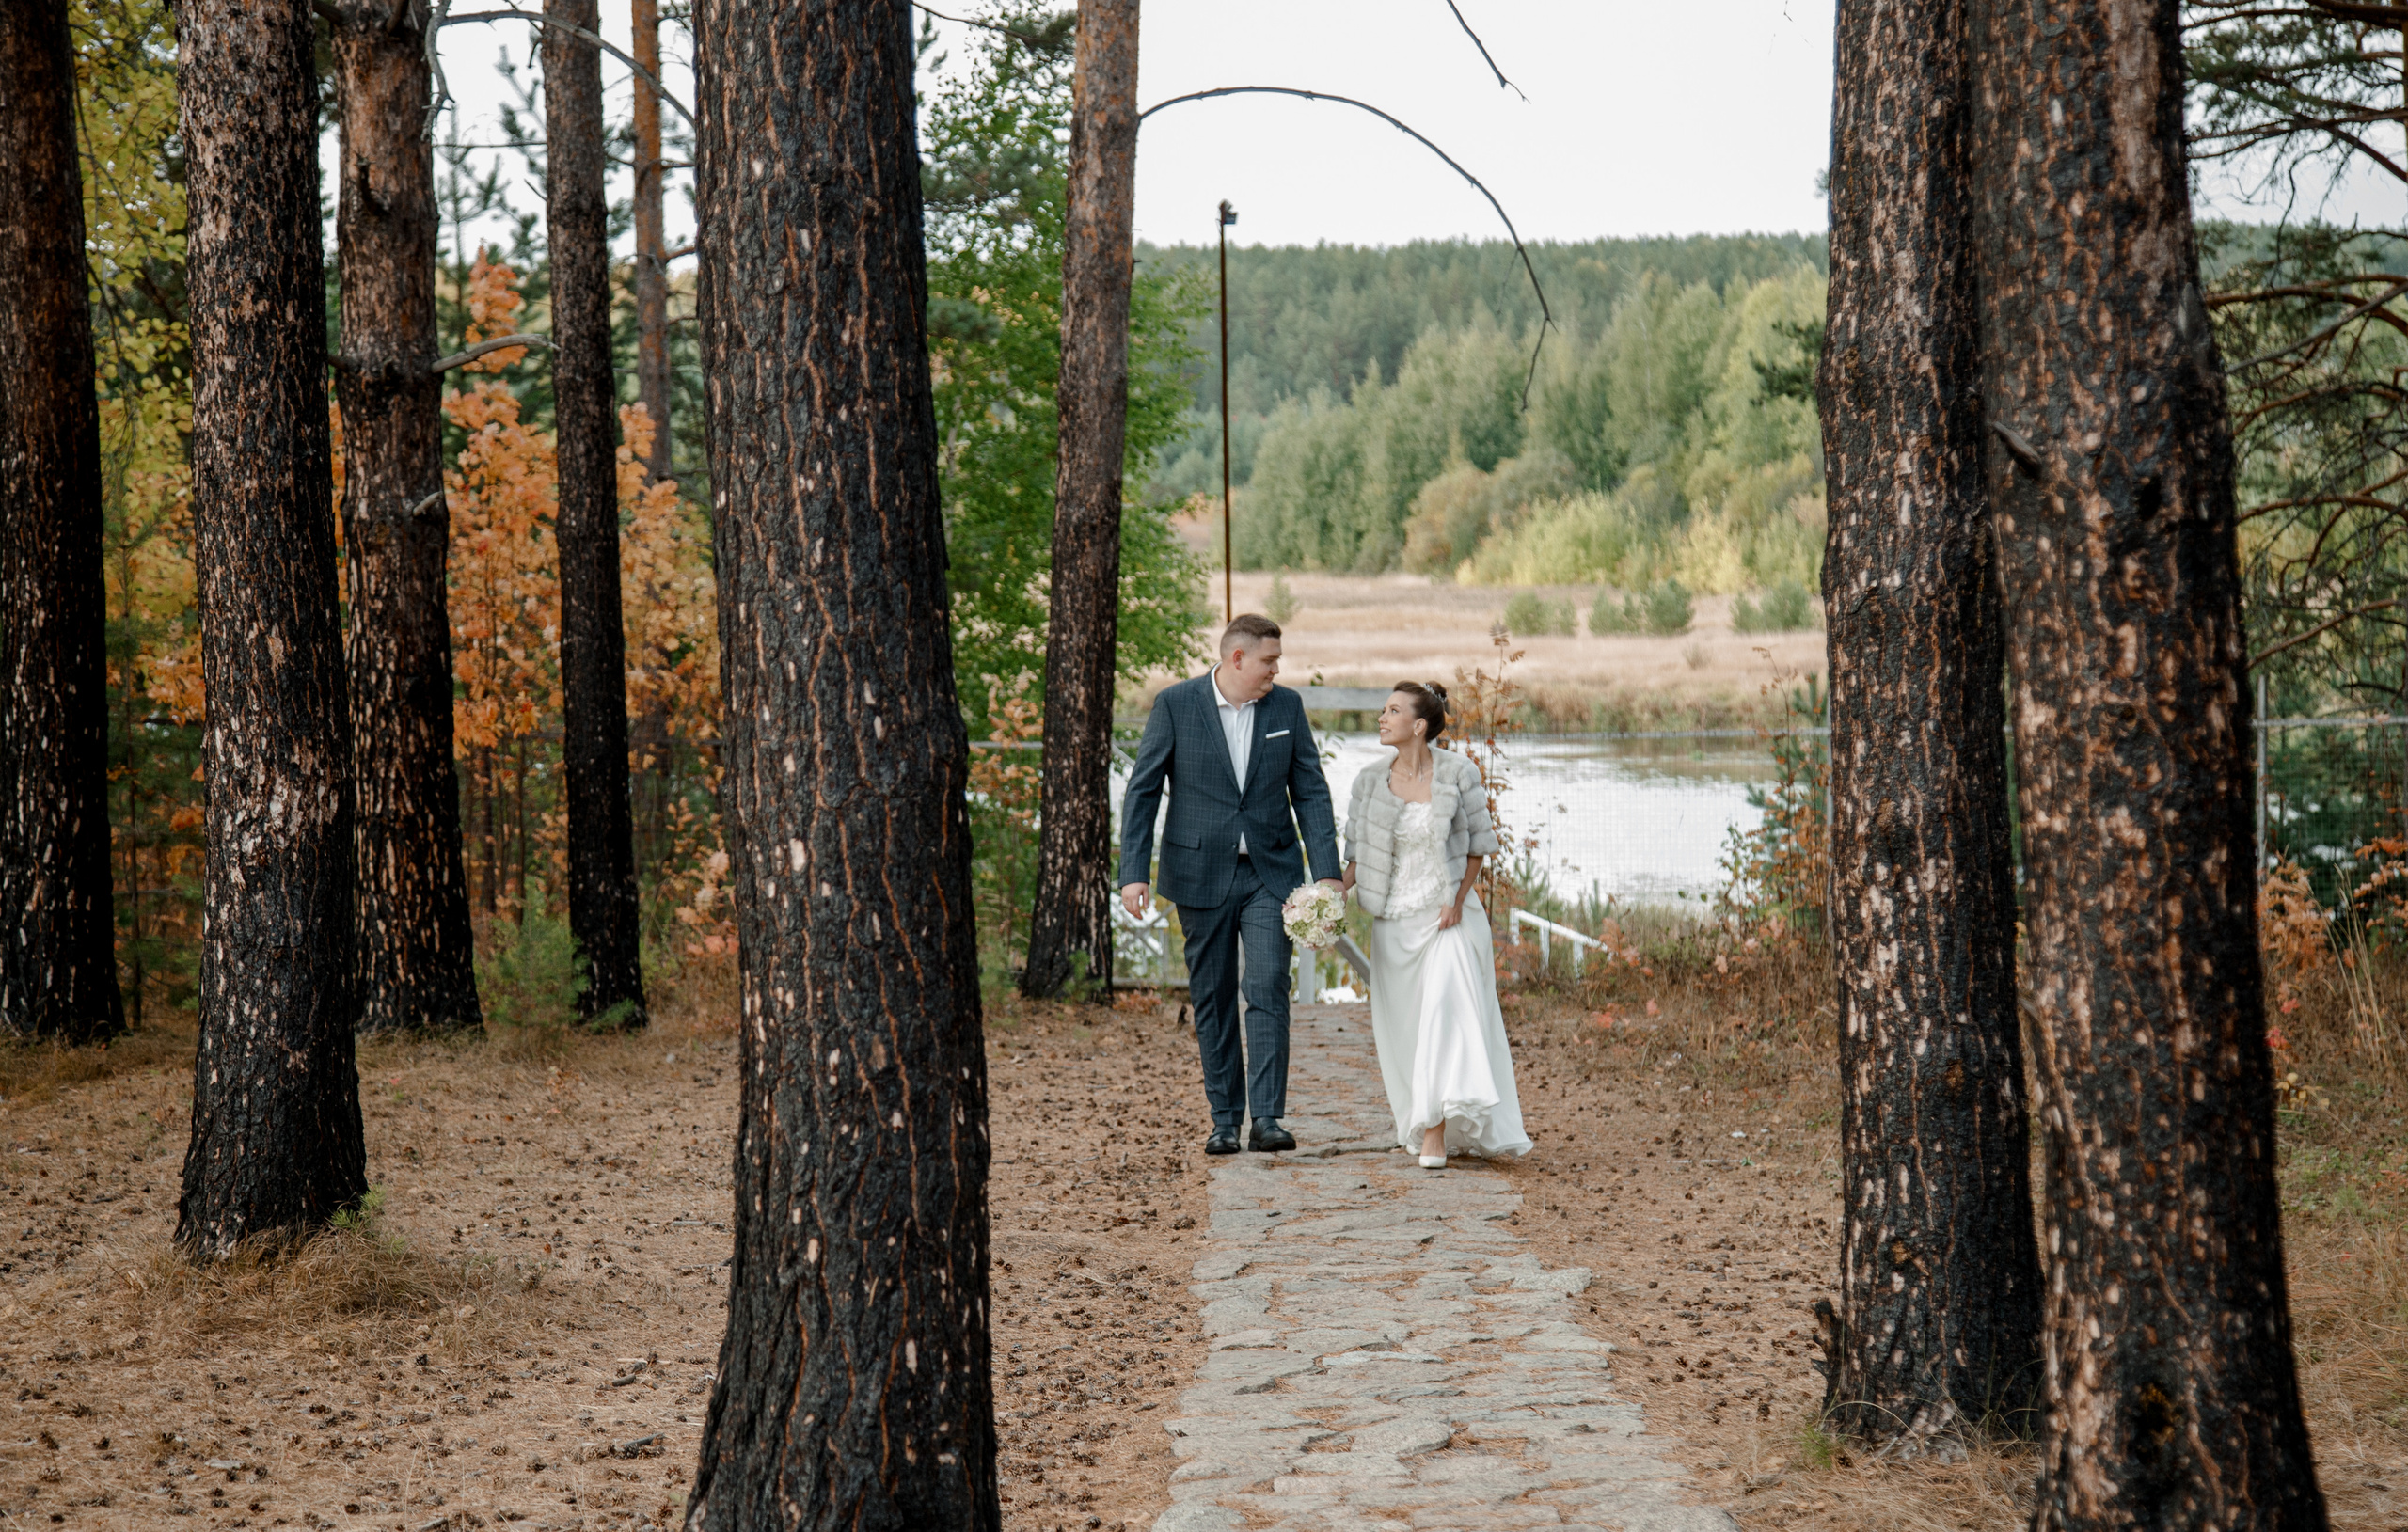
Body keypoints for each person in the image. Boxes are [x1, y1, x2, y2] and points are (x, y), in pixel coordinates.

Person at [1119, 614, 1343, 1155]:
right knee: (1213, 995)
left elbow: (1310, 791)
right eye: (1269, 660)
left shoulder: (1287, 707)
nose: (1276, 670)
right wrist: (1133, 873)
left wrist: (1328, 872)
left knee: (1267, 984)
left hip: (1272, 874)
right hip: (1198, 873)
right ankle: (1224, 1120)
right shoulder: (1175, 704)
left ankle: (1267, 1118)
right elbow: (1142, 790)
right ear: (1237, 658)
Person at [1342, 682, 1531, 1168]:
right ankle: (1421, 1113)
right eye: (1382, 709)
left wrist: (1457, 900)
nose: (1381, 718)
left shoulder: (1459, 774)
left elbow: (1478, 849)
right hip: (1393, 923)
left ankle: (1436, 1132)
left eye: (1393, 711)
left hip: (1449, 917)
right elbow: (1358, 859)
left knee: (1447, 1011)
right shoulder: (1367, 782)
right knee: (1407, 1029)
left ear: (1419, 724)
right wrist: (1324, 897)